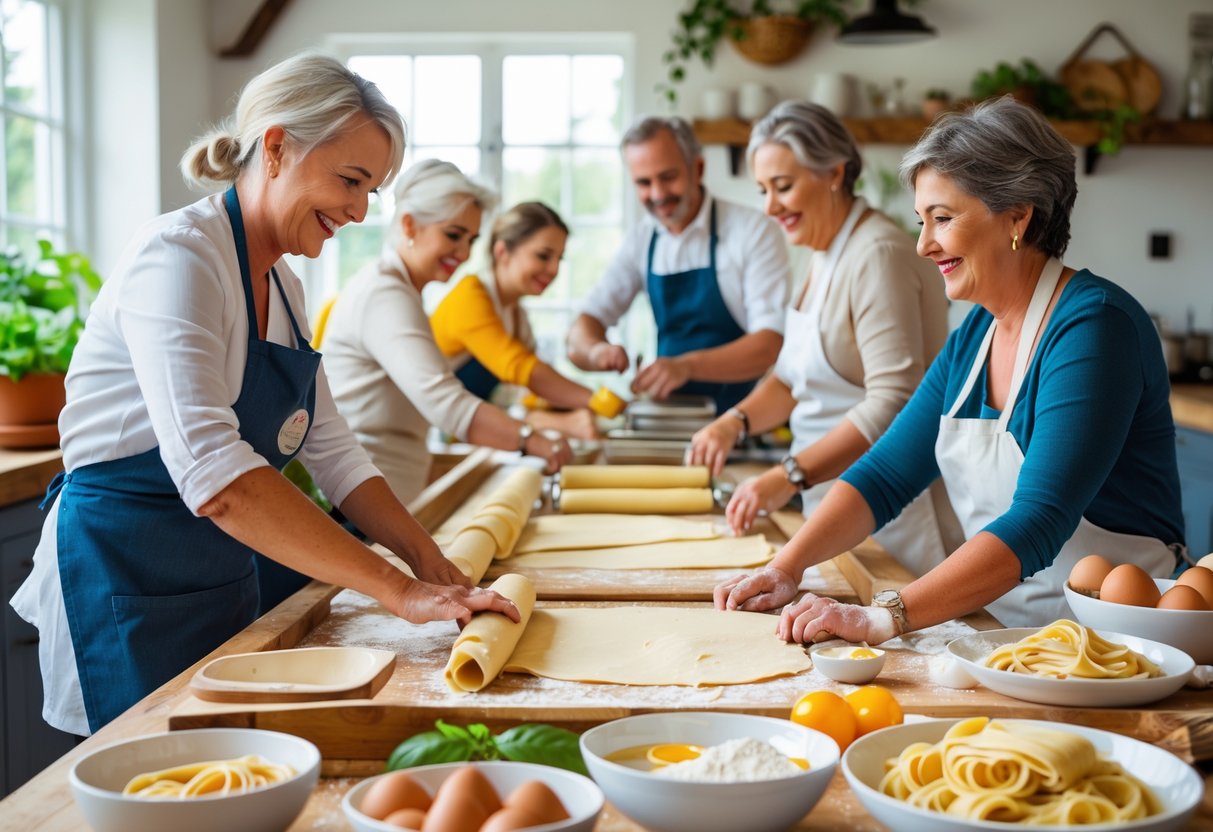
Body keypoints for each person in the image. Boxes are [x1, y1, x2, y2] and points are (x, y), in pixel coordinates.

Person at [9, 53, 518, 737]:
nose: (360, 209)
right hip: (128, 576)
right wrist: (399, 591)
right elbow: (215, 475)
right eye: (350, 180)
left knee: (225, 769)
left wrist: (431, 564)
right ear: (276, 147)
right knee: (155, 781)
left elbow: (332, 448)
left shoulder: (284, 286)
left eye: (372, 190)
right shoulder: (177, 259)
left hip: (221, 571)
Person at [715, 97, 1184, 641]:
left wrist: (882, 614)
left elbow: (1039, 520)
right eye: (921, 221)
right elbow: (885, 476)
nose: (922, 244)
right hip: (1007, 634)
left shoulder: (1093, 328)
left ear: (1017, 216)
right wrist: (786, 567)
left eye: (942, 219)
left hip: (1124, 647)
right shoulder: (974, 339)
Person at [688, 101, 958, 576]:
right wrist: (735, 421)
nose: (770, 207)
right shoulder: (824, 251)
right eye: (763, 190)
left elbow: (894, 403)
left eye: (783, 187)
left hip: (889, 520)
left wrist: (789, 474)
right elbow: (792, 380)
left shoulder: (877, 254)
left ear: (834, 172)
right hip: (830, 507)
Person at [322, 161, 572, 505]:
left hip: (390, 486)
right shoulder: (384, 295)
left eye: (471, 239)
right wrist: (531, 439)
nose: (465, 253)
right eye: (453, 235)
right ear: (409, 224)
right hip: (360, 496)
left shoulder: (402, 292)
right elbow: (444, 402)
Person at [566, 115, 789, 413]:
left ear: (697, 169)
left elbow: (770, 344)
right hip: (670, 417)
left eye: (668, 177)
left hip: (745, 416)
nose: (658, 194)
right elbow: (582, 327)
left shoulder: (753, 230)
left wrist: (685, 366)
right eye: (644, 183)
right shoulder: (641, 240)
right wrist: (597, 352)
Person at [429, 201, 601, 440]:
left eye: (559, 259)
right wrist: (601, 401)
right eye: (543, 256)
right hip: (436, 439)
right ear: (502, 252)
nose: (553, 270)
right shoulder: (469, 296)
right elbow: (524, 370)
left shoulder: (516, 316)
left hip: (468, 439)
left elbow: (527, 392)